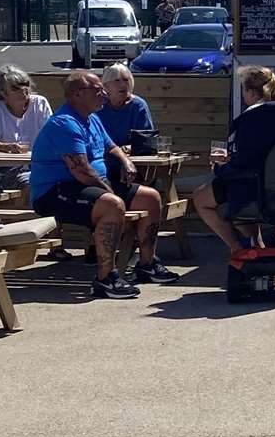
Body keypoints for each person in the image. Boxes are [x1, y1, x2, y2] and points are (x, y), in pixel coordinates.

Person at [30, 71, 176, 298]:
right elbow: (80, 170)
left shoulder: (92, 118)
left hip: (88, 185)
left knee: (151, 198)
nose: (104, 94)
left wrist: (125, 161)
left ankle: (147, 264)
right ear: (77, 94)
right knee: (112, 204)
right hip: (55, 190)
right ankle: (105, 278)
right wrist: (111, 192)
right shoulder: (65, 124)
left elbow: (111, 146)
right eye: (97, 89)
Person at [192, 66, 275, 254]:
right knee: (237, 196)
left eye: (244, 90)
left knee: (201, 198)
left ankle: (237, 249)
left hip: (259, 190)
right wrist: (234, 160)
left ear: (252, 92)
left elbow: (245, 166)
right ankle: (256, 248)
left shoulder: (254, 119)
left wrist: (220, 168)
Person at [0, 65, 54, 189]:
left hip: (36, 165)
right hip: (5, 167)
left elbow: (51, 135)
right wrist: (7, 147)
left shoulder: (40, 103)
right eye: (16, 88)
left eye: (25, 84)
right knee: (32, 183)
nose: (23, 90)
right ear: (3, 93)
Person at [96, 63, 155, 148]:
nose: (123, 85)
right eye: (117, 80)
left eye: (126, 80)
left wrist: (126, 149)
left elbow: (146, 139)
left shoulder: (138, 106)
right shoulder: (98, 105)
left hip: (131, 156)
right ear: (105, 85)